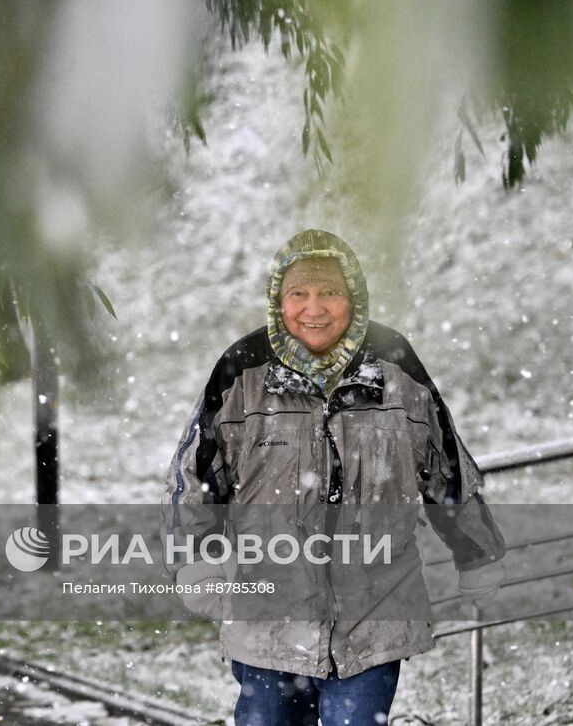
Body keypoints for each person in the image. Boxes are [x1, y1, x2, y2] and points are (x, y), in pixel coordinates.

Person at [163, 229, 505, 726]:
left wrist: (477, 552)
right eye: (297, 294)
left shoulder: (396, 369)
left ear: (355, 298)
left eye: (330, 292)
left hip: (375, 612)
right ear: (278, 301)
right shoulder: (242, 373)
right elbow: (193, 478)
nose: (314, 308)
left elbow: (446, 466)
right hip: (268, 621)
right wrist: (194, 559)